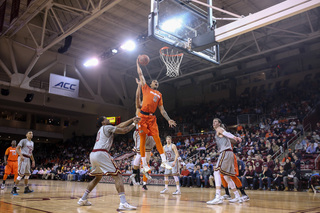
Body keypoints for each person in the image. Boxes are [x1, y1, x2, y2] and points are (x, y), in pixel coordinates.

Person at [78, 116, 141, 210]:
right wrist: (133, 124)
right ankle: (123, 203)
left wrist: (131, 119)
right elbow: (124, 130)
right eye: (105, 118)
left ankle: (83, 199)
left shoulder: (103, 128)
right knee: (118, 175)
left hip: (93, 154)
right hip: (102, 153)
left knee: (97, 177)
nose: (108, 119)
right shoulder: (107, 127)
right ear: (103, 122)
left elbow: (120, 125)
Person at [136, 57, 177, 173]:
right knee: (143, 141)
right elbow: (140, 73)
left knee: (157, 138)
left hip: (151, 118)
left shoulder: (159, 94)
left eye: (157, 82)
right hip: (142, 117)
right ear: (151, 83)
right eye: (155, 81)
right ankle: (144, 164)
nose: (156, 82)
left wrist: (168, 119)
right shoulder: (146, 88)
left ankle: (164, 161)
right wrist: (137, 62)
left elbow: (162, 110)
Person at [207, 118, 242, 205]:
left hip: (225, 152)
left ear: (219, 123)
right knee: (226, 176)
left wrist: (235, 137)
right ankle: (237, 196)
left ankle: (218, 196)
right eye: (213, 122)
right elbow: (227, 135)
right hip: (229, 153)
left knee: (216, 172)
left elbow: (226, 133)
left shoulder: (219, 129)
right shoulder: (220, 131)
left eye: (215, 121)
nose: (214, 123)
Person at [130, 79, 155, 190]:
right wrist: (139, 86)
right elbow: (137, 98)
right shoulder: (139, 109)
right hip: (139, 134)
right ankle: (134, 175)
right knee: (140, 154)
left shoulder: (150, 110)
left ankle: (142, 176)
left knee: (147, 158)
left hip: (149, 134)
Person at [11, 131, 35, 195]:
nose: (31, 134)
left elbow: (31, 152)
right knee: (21, 175)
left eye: (32, 133)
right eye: (30, 133)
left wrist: (33, 160)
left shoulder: (32, 143)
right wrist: (21, 155)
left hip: (28, 158)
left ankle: (26, 188)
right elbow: (17, 149)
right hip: (23, 158)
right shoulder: (23, 140)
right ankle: (14, 189)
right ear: (26, 135)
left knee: (27, 174)